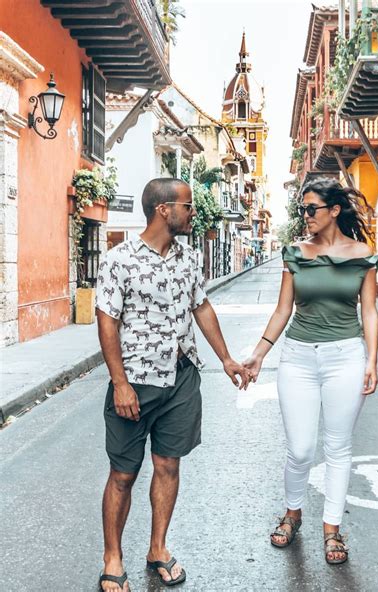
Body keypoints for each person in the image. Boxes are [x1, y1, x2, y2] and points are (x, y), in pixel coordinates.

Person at [96, 178, 250, 591]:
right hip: (135, 382)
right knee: (123, 474)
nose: (194, 212)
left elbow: (202, 307)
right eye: (188, 206)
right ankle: (113, 557)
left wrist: (226, 359)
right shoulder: (119, 259)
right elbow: (107, 321)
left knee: (168, 465)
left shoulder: (188, 259)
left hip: (181, 378)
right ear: (164, 209)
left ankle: (158, 549)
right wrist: (120, 383)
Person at [244, 177, 378, 565]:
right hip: (299, 357)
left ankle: (332, 528)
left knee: (338, 447)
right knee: (300, 448)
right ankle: (293, 513)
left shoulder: (362, 255)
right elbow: (282, 310)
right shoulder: (294, 254)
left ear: (334, 210)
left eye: (311, 209)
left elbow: (368, 311)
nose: (305, 216)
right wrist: (259, 354)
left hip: (346, 357)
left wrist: (371, 359)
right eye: (302, 209)